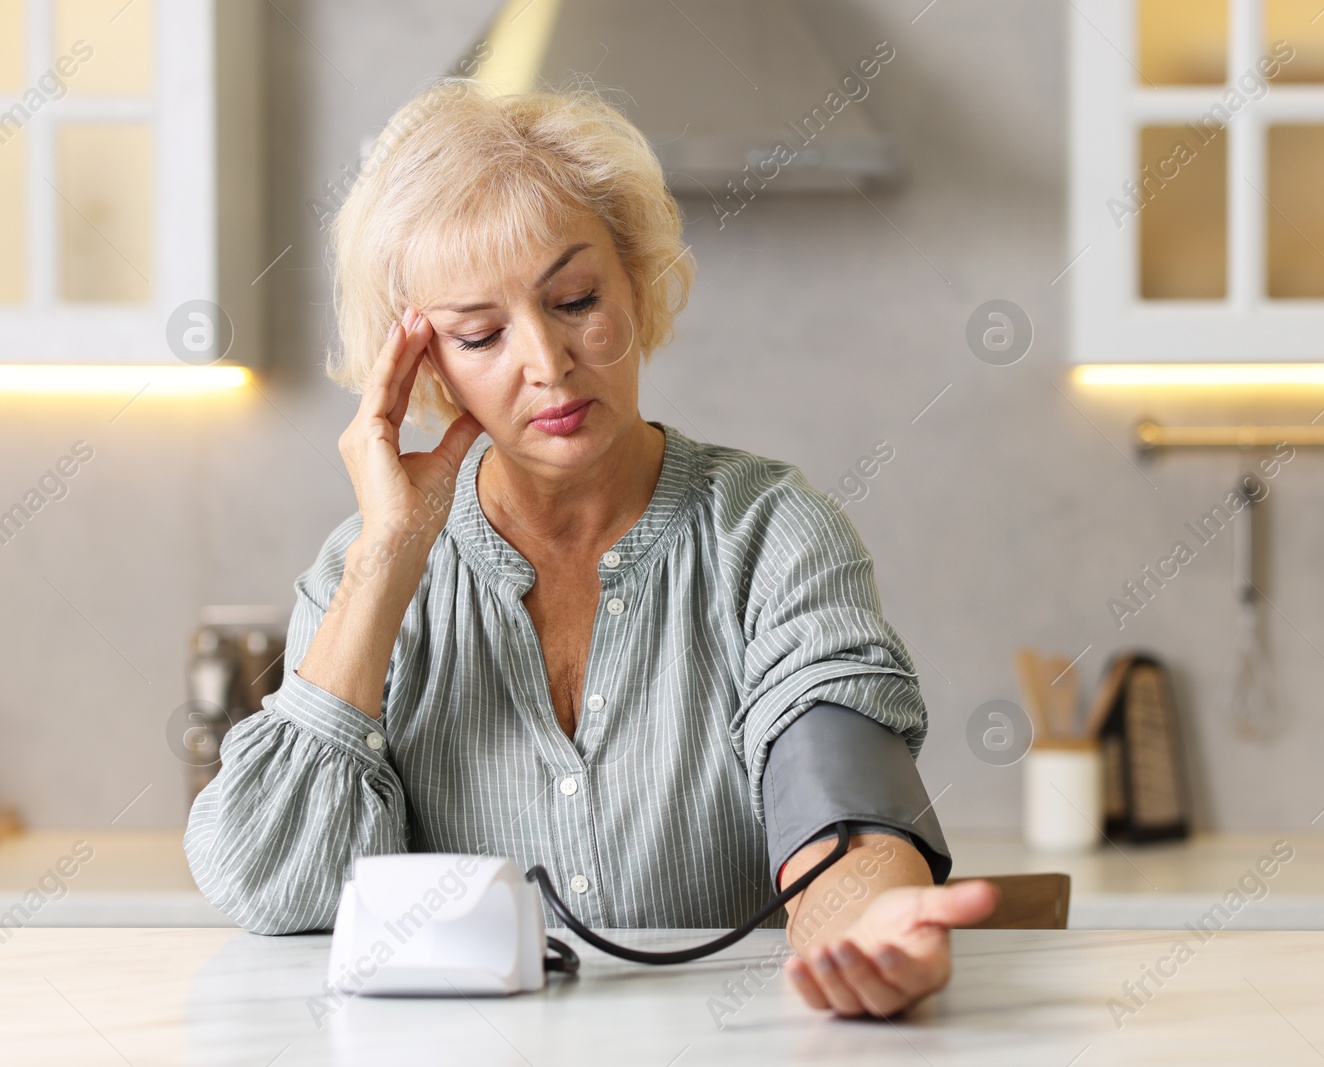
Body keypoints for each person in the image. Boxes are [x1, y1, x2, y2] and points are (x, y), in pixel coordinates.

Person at [184, 79, 997, 1019]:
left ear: (638, 283)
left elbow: (846, 819)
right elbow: (269, 884)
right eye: (480, 333)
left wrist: (866, 928)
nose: (545, 360)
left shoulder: (772, 533)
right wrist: (389, 555)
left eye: (574, 299)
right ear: (423, 369)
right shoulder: (363, 571)